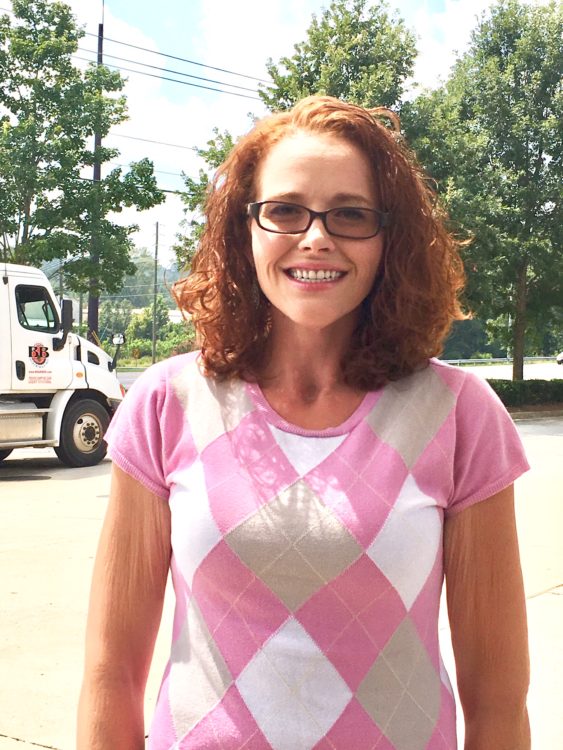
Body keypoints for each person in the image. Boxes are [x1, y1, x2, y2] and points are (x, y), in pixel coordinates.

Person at [77, 96, 531, 750]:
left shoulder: (458, 416)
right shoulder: (165, 404)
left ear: (388, 238)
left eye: (349, 214)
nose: (315, 236)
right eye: (284, 210)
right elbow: (110, 672)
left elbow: (497, 700)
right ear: (245, 229)